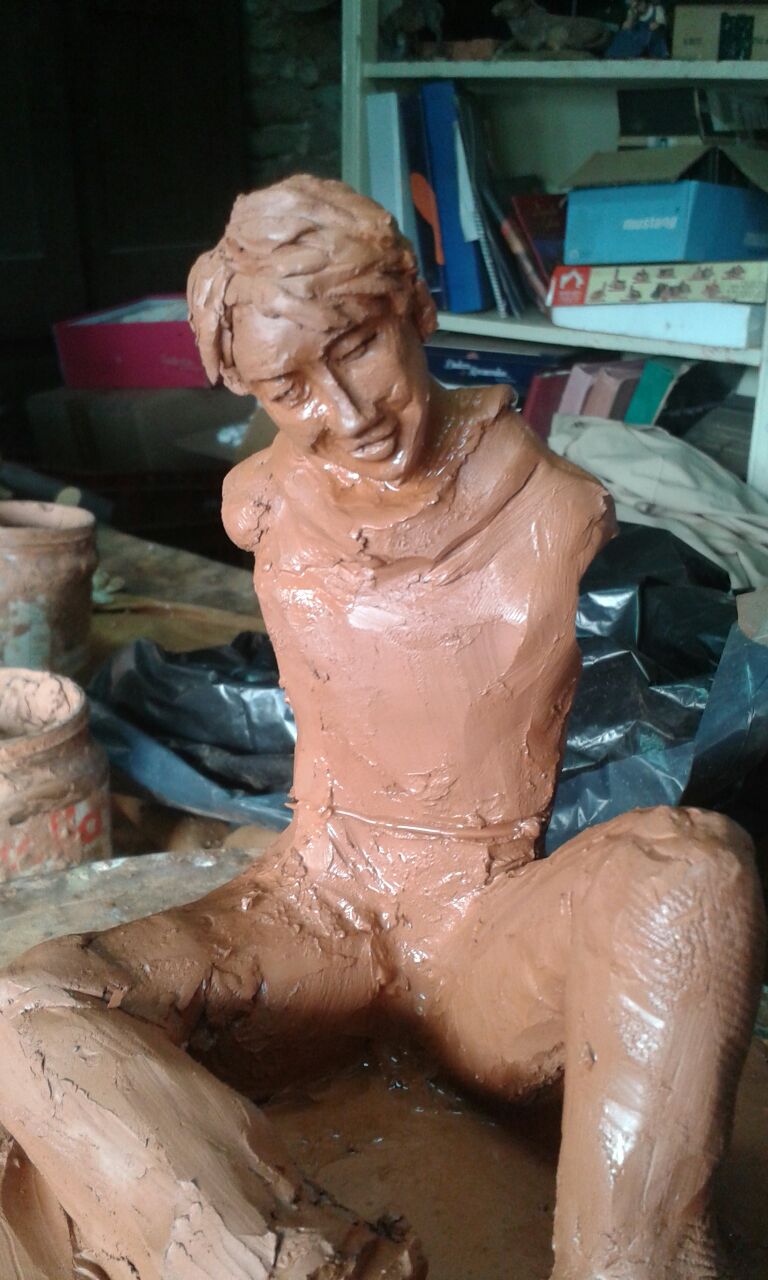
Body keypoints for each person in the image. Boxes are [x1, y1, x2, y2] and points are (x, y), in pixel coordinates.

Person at [0, 176, 763, 1280]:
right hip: (315, 904)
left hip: (480, 924)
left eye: (357, 345)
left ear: (415, 306)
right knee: (30, 1003)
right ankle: (292, 1260)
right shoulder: (261, 501)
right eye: (287, 388)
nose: (347, 412)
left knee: (692, 870)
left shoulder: (557, 510)